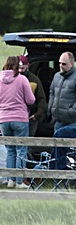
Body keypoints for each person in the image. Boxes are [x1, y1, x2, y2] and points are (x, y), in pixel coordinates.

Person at [0, 56, 36, 188]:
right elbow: (31, 100)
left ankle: (10, 180)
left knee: (10, 150)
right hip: (20, 118)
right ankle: (19, 182)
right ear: (16, 65)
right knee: (21, 150)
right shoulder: (21, 79)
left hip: (3, 119)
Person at [49, 51, 76, 140]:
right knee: (58, 150)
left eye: (64, 64)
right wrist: (51, 108)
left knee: (74, 151)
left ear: (71, 64)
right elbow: (52, 92)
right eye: (59, 63)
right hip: (59, 121)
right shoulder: (56, 76)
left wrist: (72, 111)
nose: (60, 65)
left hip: (75, 122)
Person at [18, 56, 46, 137]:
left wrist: (37, 115)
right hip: (15, 117)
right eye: (18, 68)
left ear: (28, 65)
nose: (20, 70)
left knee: (28, 142)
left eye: (22, 68)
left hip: (31, 117)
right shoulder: (12, 78)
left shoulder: (34, 80)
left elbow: (41, 99)